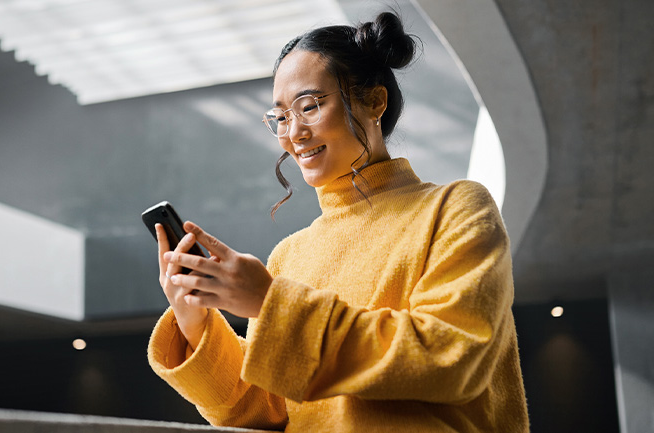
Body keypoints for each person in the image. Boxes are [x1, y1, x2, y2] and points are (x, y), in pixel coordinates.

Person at [147, 12, 529, 433]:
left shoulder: (456, 207)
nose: (294, 133)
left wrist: (270, 305)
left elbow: (451, 356)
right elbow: (266, 412)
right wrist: (195, 323)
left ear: (374, 102)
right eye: (280, 117)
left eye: (308, 106)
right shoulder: (289, 255)